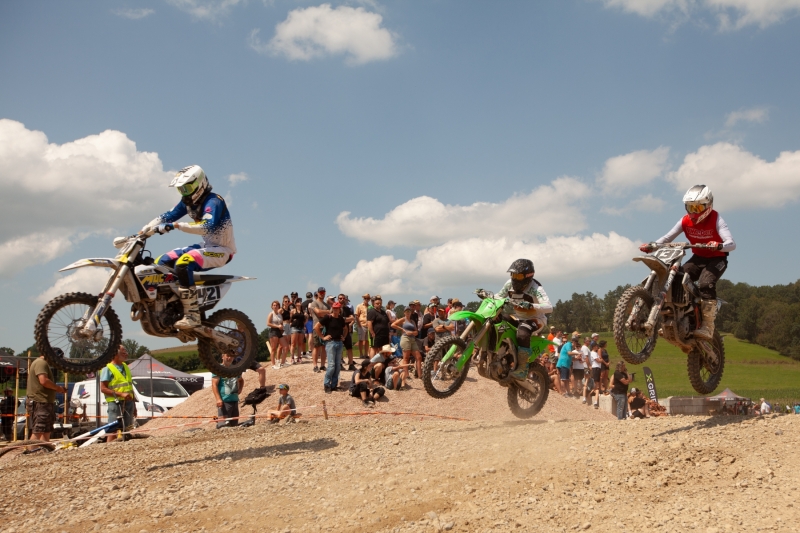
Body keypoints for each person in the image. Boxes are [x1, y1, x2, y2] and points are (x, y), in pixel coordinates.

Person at [140, 165, 235, 329]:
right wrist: (142, 231)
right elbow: (166, 216)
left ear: (200, 184)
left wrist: (177, 226)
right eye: (181, 189)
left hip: (222, 250)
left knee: (183, 263)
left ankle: (192, 314)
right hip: (206, 246)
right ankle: (172, 306)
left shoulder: (214, 201)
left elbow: (207, 227)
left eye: (187, 187)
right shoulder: (188, 203)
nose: (184, 192)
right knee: (161, 261)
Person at [640, 185, 736, 339]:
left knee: (705, 283)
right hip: (697, 258)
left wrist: (719, 245)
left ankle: (708, 326)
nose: (693, 212)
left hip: (717, 258)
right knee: (677, 279)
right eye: (690, 207)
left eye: (697, 207)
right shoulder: (685, 221)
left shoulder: (717, 219)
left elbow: (732, 243)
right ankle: (675, 319)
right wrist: (652, 246)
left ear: (708, 206)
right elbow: (667, 238)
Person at [492, 258, 553, 380]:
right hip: (519, 318)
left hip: (536, 319)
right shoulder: (509, 283)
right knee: (496, 319)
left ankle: (523, 368)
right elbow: (498, 296)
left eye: (518, 276)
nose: (515, 278)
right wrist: (488, 295)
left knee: (523, 332)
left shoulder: (536, 288)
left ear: (528, 276)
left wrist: (531, 305)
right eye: (513, 274)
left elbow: (549, 307)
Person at [99, 345, 136, 441]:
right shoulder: (107, 368)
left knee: (127, 428)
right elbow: (103, 388)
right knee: (113, 429)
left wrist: (134, 405)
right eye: (123, 352)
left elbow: (130, 387)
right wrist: (120, 394)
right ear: (115, 354)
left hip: (128, 402)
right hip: (115, 403)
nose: (126, 354)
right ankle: (109, 450)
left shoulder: (126, 367)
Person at [316, 301, 353, 393]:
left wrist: (344, 336)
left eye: (338, 308)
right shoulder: (328, 318)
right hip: (330, 343)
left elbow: (345, 328)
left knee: (337, 366)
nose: (336, 310)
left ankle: (334, 385)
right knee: (331, 365)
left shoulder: (340, 319)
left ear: (340, 309)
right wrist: (322, 337)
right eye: (335, 308)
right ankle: (327, 384)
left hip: (339, 343)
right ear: (332, 308)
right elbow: (317, 326)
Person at [211, 353, 244, 428]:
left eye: (231, 356)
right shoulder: (218, 369)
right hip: (224, 401)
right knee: (224, 426)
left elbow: (241, 380)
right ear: (222, 356)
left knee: (234, 425)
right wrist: (218, 399)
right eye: (228, 355)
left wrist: (240, 389)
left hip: (234, 400)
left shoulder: (235, 369)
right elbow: (214, 384)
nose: (230, 358)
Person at [392, 307, 421, 385]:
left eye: (409, 311)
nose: (408, 312)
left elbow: (416, 332)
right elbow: (393, 324)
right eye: (406, 311)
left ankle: (420, 375)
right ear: (404, 312)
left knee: (418, 357)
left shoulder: (412, 321)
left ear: (411, 313)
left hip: (412, 339)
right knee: (406, 357)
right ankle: (406, 375)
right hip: (405, 338)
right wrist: (403, 329)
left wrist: (411, 333)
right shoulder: (403, 319)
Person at [308, 288, 330, 373]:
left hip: (325, 327)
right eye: (320, 292)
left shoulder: (326, 304)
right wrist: (327, 311)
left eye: (323, 292)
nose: (322, 294)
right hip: (317, 327)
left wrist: (324, 312)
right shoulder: (314, 303)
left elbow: (327, 313)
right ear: (318, 293)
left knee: (324, 348)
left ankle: (323, 365)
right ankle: (315, 365)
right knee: (316, 347)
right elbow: (319, 313)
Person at [338, 294, 356, 371]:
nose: (342, 299)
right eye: (340, 298)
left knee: (349, 348)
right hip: (338, 330)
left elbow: (352, 318)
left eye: (343, 298)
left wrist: (342, 319)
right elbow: (335, 318)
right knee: (339, 347)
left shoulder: (347, 309)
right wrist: (346, 319)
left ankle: (351, 364)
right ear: (338, 299)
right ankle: (339, 364)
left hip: (347, 330)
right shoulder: (335, 308)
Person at [266, 300, 285, 369]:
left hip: (279, 332)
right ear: (272, 306)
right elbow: (268, 323)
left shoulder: (280, 315)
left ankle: (282, 363)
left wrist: (282, 328)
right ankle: (273, 364)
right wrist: (277, 326)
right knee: (273, 348)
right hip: (273, 331)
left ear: (278, 306)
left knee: (285, 347)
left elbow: (281, 323)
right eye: (274, 305)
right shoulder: (271, 314)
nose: (275, 306)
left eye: (276, 305)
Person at [289, 299, 307, 364]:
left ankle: (299, 357)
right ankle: (292, 357)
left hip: (301, 327)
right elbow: (290, 318)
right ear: (295, 303)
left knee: (300, 343)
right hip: (295, 327)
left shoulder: (303, 311)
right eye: (298, 302)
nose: (299, 303)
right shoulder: (293, 311)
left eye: (300, 302)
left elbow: (306, 318)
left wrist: (304, 323)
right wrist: (291, 323)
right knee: (293, 343)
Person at [355, 293, 371, 358]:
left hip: (368, 325)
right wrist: (359, 324)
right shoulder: (359, 306)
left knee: (367, 340)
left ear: (369, 299)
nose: (366, 299)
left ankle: (366, 354)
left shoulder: (370, 307)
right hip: (362, 324)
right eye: (365, 298)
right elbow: (356, 315)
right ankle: (361, 354)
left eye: (367, 298)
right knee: (361, 340)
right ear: (363, 299)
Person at [589, 342, 603, 409]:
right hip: (596, 368)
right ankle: (595, 401)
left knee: (596, 383)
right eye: (596, 346)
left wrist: (600, 359)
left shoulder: (595, 353)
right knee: (596, 384)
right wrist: (601, 360)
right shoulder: (593, 353)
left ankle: (591, 393)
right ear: (593, 347)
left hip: (597, 368)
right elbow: (599, 360)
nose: (597, 347)